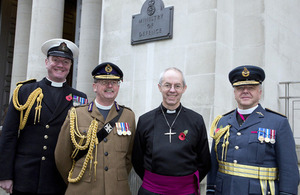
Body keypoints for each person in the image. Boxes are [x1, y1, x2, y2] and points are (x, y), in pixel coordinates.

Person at [0, 38, 87, 195]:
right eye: (55, 60)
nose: (60, 65)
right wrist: (5, 174)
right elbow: (9, 135)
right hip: (25, 177)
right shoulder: (25, 92)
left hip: (59, 179)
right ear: (47, 62)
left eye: (66, 61)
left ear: (70, 66)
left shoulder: (80, 99)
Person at [206, 65, 299, 195]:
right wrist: (210, 189)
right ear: (234, 93)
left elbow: (289, 169)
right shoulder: (222, 122)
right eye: (240, 88)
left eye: (251, 88)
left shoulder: (278, 123)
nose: (245, 91)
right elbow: (214, 162)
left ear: (259, 92)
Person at [55, 62, 136, 195]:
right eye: (104, 82)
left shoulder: (128, 116)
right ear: (94, 86)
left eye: (114, 82)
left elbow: (129, 157)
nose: (110, 86)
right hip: (82, 188)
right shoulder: (76, 114)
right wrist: (76, 178)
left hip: (117, 189)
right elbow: (61, 156)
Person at [132, 67, 211, 195]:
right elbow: (137, 159)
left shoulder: (196, 120)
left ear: (184, 88)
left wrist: (184, 184)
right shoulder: (145, 120)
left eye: (177, 86)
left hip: (185, 191)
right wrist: (156, 183)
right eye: (167, 85)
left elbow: (205, 161)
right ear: (159, 87)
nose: (172, 90)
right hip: (152, 190)